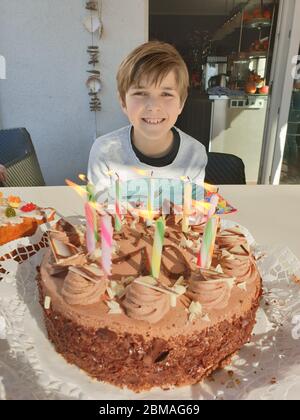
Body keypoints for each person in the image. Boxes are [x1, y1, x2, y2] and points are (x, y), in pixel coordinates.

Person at [88, 41, 207, 208]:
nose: (153, 106)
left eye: (166, 94)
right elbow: (99, 219)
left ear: (181, 103)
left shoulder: (195, 154)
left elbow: (193, 217)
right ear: (123, 101)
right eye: (141, 93)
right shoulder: (105, 151)